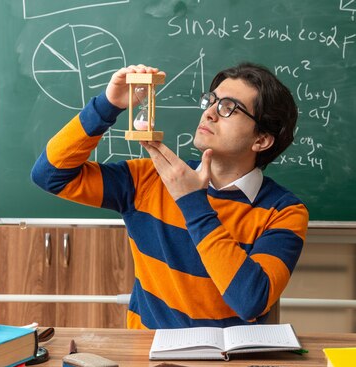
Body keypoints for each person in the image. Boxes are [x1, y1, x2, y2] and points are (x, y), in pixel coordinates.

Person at [31, 63, 309, 329]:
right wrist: (108, 104)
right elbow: (49, 175)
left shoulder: (285, 212)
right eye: (211, 101)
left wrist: (193, 204)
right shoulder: (149, 178)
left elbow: (250, 301)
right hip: (147, 356)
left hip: (230, 362)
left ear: (261, 140)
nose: (209, 113)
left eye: (228, 108)